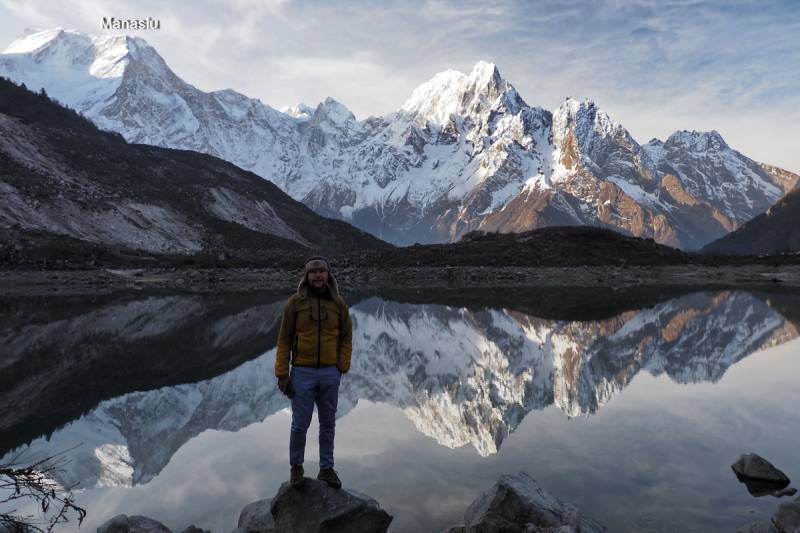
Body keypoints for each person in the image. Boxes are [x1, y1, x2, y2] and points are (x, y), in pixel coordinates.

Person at [275, 256, 353, 489]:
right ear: (306, 276)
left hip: (330, 373)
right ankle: (296, 469)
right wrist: (282, 374)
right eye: (313, 272)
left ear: (328, 275)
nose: (318, 275)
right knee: (300, 424)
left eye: (322, 271)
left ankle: (326, 469)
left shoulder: (338, 304)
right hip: (302, 372)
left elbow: (346, 337)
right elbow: (284, 340)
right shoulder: (294, 304)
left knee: (328, 424)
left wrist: (342, 366)